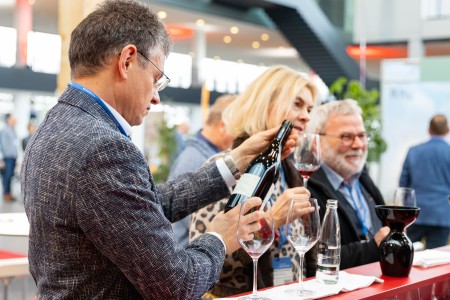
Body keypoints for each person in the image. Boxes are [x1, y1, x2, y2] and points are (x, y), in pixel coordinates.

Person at [19, 1, 298, 299]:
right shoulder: (103, 147)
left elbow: (141, 209)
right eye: (156, 80)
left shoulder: (54, 124)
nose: (156, 99)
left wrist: (236, 161)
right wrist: (220, 237)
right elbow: (176, 284)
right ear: (127, 60)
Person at [190, 65, 318, 297]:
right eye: (297, 104)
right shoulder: (226, 169)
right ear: (266, 103)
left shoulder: (290, 170)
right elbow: (202, 263)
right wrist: (272, 221)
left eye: (309, 108)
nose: (306, 115)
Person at [306, 99, 389, 273]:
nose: (358, 144)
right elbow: (314, 259)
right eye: (346, 137)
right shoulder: (306, 189)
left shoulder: (364, 180)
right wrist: (373, 248)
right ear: (316, 142)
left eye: (362, 135)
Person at [169, 94, 236, 247]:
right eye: (240, 129)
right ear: (223, 126)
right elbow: (196, 224)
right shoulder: (194, 161)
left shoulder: (204, 156)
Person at [399, 114, 450, 249]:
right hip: (442, 216)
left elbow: (403, 184)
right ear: (448, 130)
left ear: (429, 130)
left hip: (415, 215)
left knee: (408, 255)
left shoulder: (414, 151)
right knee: (435, 261)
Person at [0, 113, 18, 202]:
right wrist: (1, 160)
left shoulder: (12, 130)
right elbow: (2, 145)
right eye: (13, 119)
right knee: (6, 176)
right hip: (7, 157)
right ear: (8, 120)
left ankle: (9, 193)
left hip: (13, 157)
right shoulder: (4, 130)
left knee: (10, 176)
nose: (15, 120)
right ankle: (6, 194)